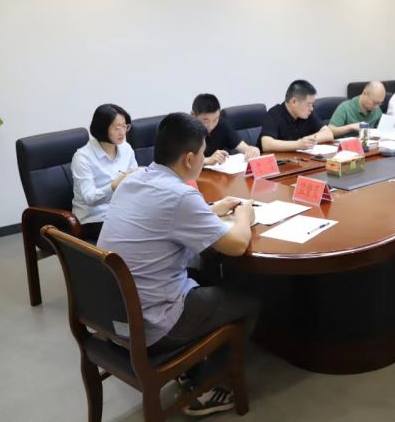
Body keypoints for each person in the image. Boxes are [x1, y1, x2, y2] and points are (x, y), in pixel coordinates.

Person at [99, 112, 259, 417]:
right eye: (203, 153)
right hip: (150, 324)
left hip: (111, 314)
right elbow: (237, 245)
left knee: (201, 271)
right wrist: (243, 216)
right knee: (249, 301)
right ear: (189, 159)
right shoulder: (181, 195)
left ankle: (192, 365)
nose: (204, 158)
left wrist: (210, 210)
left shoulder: (134, 180)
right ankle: (209, 387)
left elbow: (164, 217)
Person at [71, 103, 138, 240]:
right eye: (117, 128)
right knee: (136, 232)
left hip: (122, 212)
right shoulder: (82, 157)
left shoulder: (126, 148)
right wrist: (114, 186)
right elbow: (90, 198)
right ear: (102, 128)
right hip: (94, 218)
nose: (122, 132)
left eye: (125, 126)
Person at [259, 80, 334, 152]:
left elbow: (328, 133)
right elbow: (266, 144)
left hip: (300, 158)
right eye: (309, 104)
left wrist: (307, 141)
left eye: (312, 104)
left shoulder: (308, 113)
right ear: (294, 102)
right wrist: (298, 144)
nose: (311, 108)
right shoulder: (274, 114)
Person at [191, 93, 260, 165]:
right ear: (193, 115)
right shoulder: (186, 130)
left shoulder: (221, 124)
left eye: (215, 120)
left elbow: (244, 147)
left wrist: (252, 150)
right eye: (206, 121)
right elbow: (185, 162)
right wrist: (208, 160)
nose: (211, 126)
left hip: (217, 170)